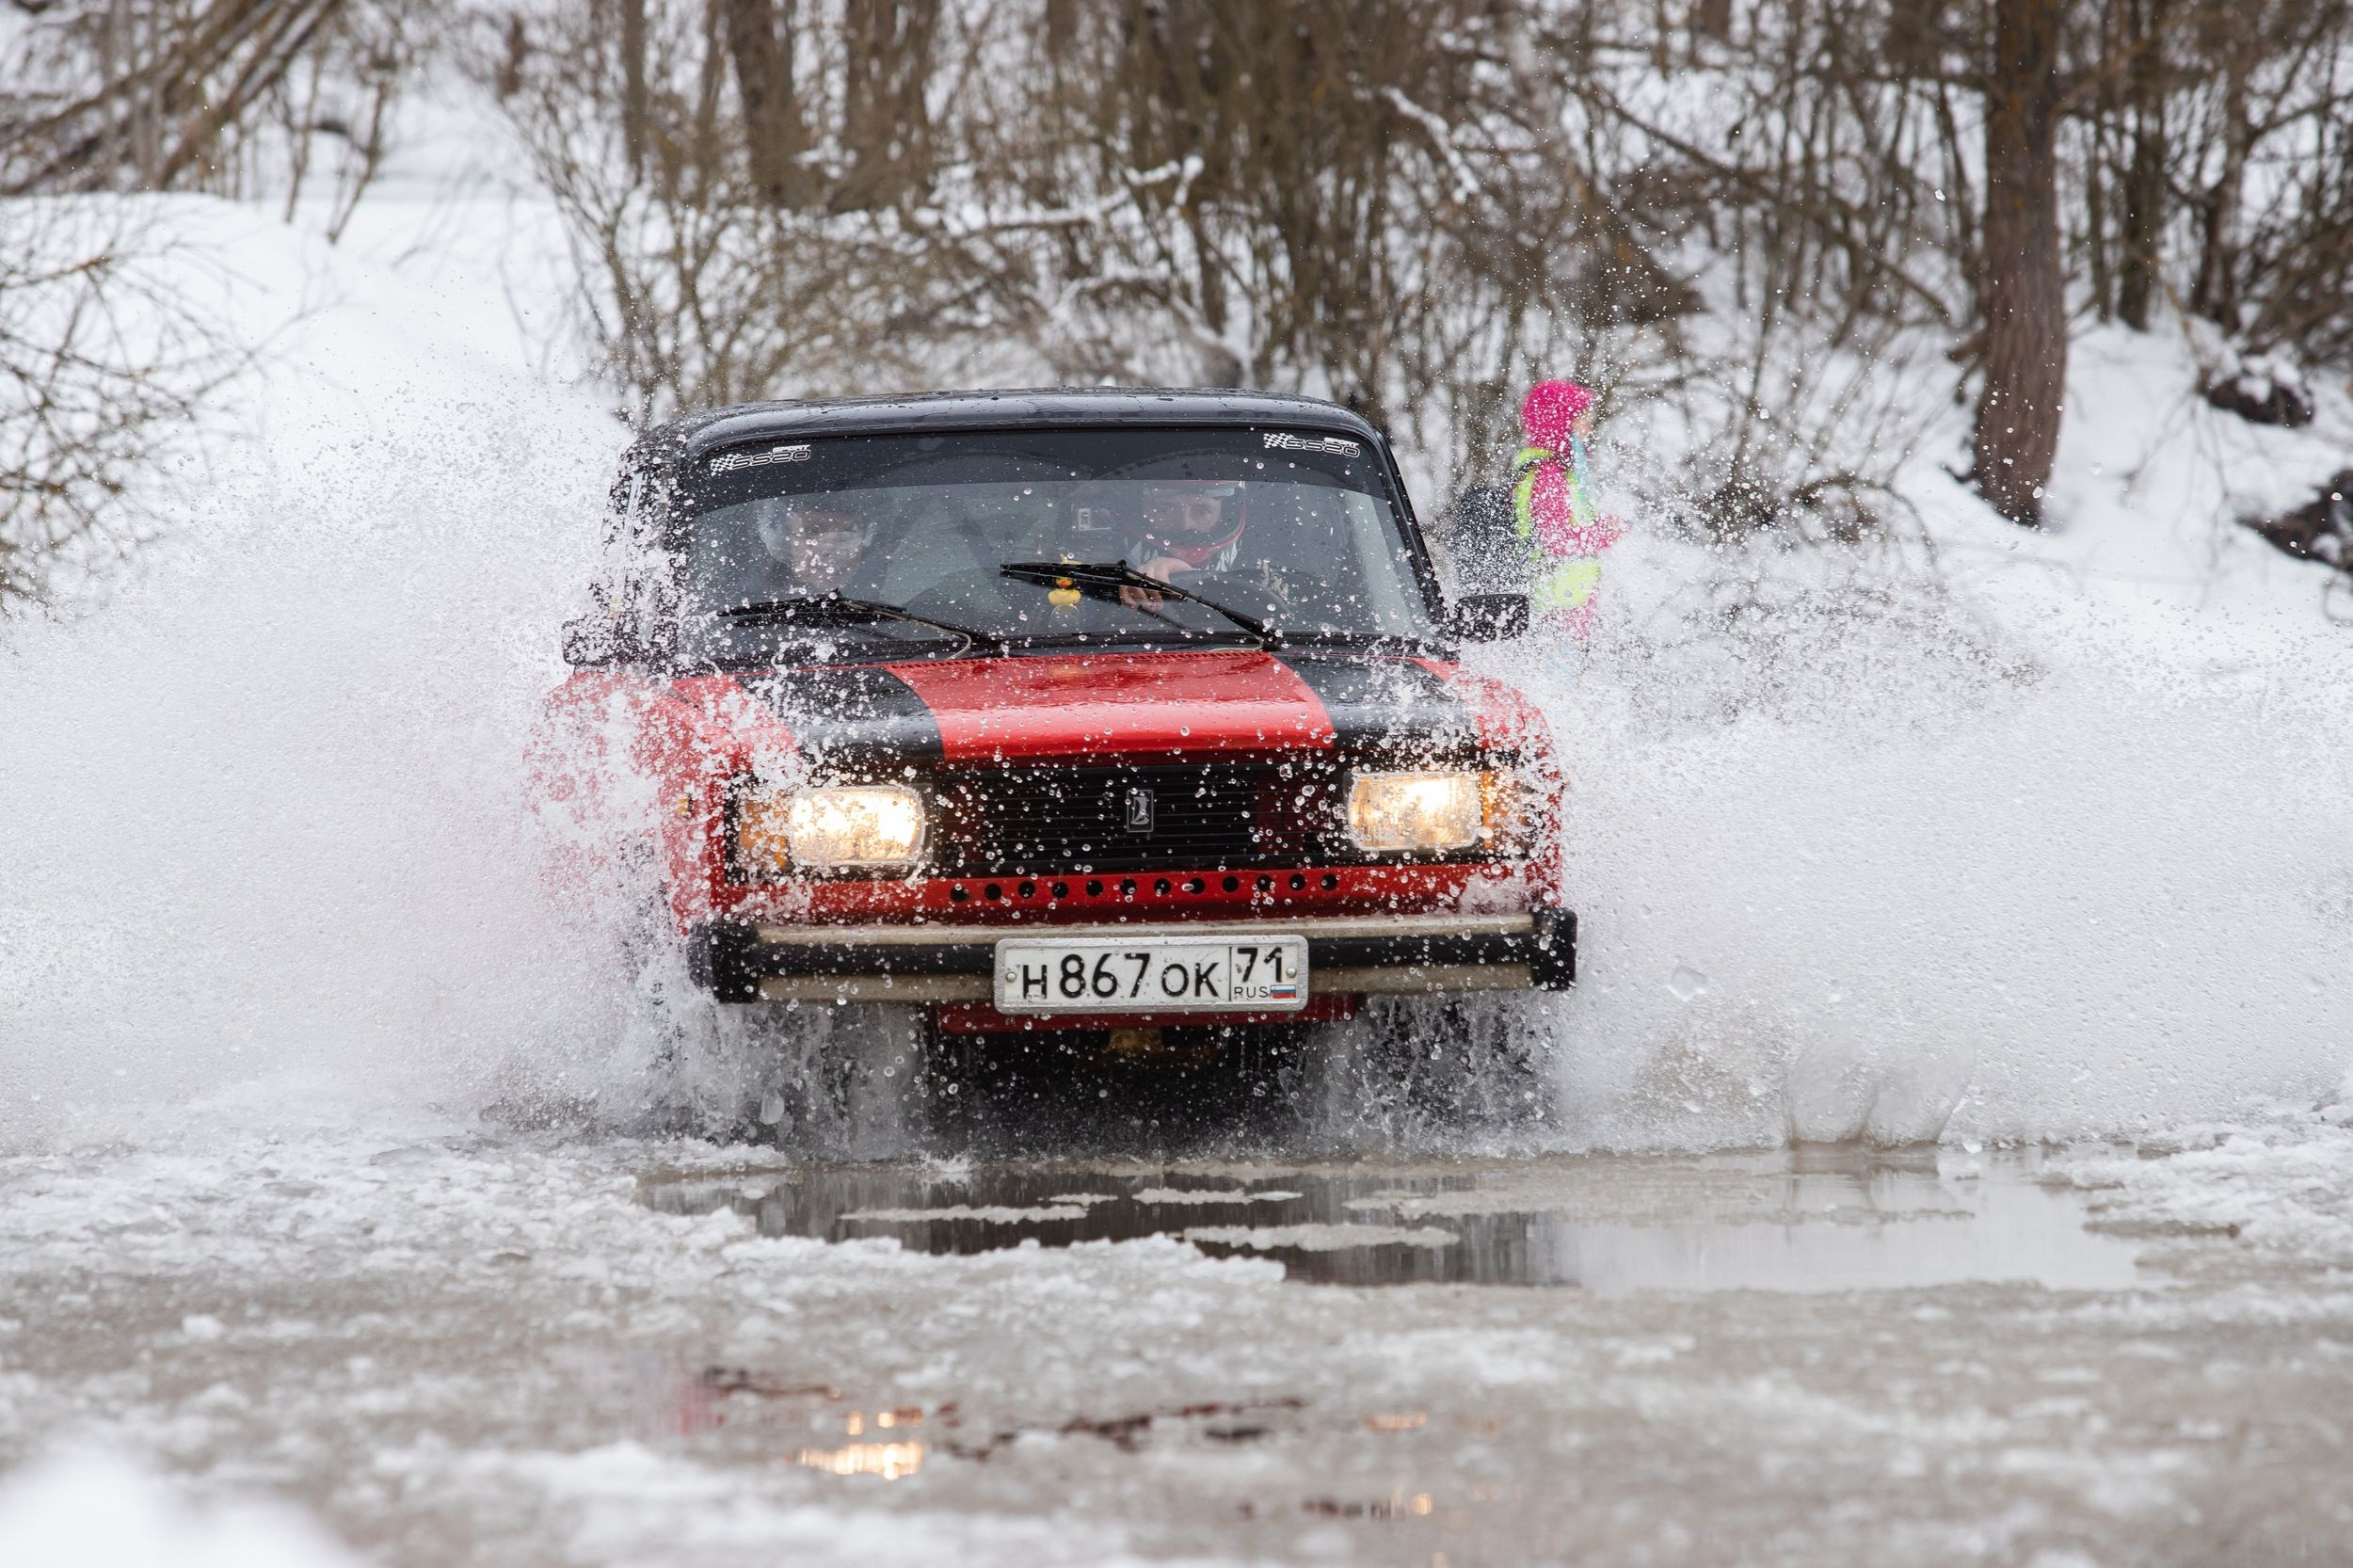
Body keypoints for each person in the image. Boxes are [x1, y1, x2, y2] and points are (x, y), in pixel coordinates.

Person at [1512, 379, 1624, 661]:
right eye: (1581, 418)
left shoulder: (1563, 470)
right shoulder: (1549, 474)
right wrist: (1604, 533)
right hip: (1555, 607)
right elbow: (1556, 539)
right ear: (1559, 422)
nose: (1589, 427)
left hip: (1568, 605)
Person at [1125, 479, 1246, 584]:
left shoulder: (1256, 572)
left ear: (1223, 516)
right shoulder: (1108, 565)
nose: (1185, 525)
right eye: (1166, 509)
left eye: (1202, 511)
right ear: (1141, 510)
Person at [753, 501, 869, 598]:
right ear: (785, 542)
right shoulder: (747, 605)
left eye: (849, 533)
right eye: (814, 532)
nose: (833, 548)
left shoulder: (881, 600)